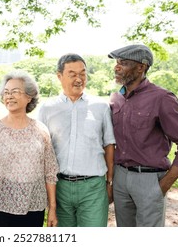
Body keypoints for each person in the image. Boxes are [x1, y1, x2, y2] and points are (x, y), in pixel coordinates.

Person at [108, 44, 178, 227]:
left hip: (150, 180)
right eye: (116, 63)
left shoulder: (162, 98)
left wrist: (163, 186)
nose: (116, 67)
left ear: (141, 67)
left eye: (123, 63)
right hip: (121, 178)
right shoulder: (116, 98)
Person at [38, 53, 115, 227]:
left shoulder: (101, 107)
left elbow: (109, 145)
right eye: (72, 74)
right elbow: (41, 149)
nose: (79, 79)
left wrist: (110, 182)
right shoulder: (47, 108)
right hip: (59, 187)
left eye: (83, 73)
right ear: (59, 76)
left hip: (93, 188)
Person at [0, 70, 59, 227]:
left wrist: (52, 209)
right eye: (6, 92)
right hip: (0, 208)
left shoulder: (41, 130)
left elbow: (50, 173)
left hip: (35, 208)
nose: (9, 96)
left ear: (29, 96)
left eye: (15, 92)